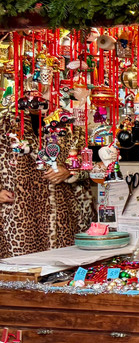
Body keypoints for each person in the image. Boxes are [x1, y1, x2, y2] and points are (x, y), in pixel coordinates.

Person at [0, 110, 92, 259]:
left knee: (61, 267)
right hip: (18, 215)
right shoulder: (4, 124)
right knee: (22, 268)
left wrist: (69, 171)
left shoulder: (68, 125)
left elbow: (89, 166)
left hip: (63, 215)